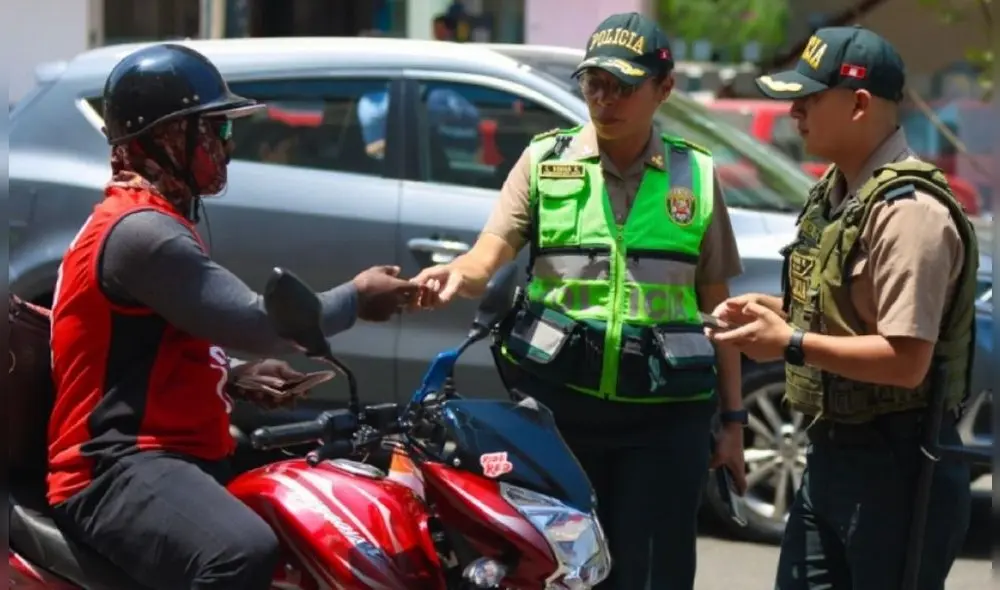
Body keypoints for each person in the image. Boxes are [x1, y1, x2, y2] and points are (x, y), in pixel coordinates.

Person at [46, 43, 419, 590]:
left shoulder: (157, 220)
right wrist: (357, 298)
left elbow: (144, 351)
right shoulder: (140, 233)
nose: (226, 145)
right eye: (214, 131)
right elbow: (259, 321)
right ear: (165, 139)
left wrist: (235, 376)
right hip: (113, 469)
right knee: (241, 552)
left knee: (319, 508)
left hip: (168, 453)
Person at [411, 12, 747, 590]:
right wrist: (455, 276)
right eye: (595, 83)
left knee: (650, 575)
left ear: (664, 90)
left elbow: (719, 311)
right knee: (562, 574)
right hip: (558, 414)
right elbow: (485, 257)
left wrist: (735, 420)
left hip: (665, 419)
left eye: (622, 86)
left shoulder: (695, 174)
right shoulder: (544, 162)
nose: (604, 99)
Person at [708, 26, 978, 590]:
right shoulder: (839, 191)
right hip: (831, 457)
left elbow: (906, 361)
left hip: (900, 469)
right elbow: (850, 307)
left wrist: (789, 342)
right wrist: (779, 310)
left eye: (808, 99)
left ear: (859, 104)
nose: (794, 113)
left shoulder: (910, 214)